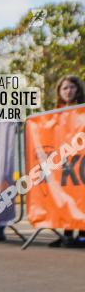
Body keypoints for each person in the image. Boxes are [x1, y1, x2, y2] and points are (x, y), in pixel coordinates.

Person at [49, 75, 85, 247]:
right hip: (64, 162)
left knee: (81, 197)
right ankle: (67, 234)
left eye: (71, 87)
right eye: (65, 88)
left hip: (81, 160)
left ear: (78, 89)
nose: (68, 91)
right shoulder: (56, 112)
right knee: (66, 197)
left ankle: (82, 235)